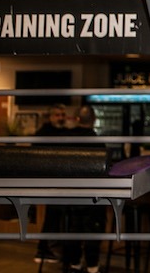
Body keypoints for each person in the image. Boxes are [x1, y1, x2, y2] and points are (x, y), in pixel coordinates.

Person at [61, 106, 107, 273]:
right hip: (92, 193)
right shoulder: (96, 141)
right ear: (94, 120)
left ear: (78, 119)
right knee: (93, 228)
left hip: (70, 192)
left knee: (74, 227)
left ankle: (74, 264)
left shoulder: (67, 138)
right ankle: (93, 266)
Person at [33, 103, 68, 264]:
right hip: (51, 180)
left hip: (58, 179)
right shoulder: (43, 134)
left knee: (55, 215)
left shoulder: (61, 132)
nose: (61, 118)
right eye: (58, 115)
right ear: (50, 116)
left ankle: (46, 249)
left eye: (63, 115)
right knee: (53, 215)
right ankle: (43, 250)